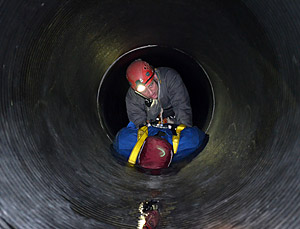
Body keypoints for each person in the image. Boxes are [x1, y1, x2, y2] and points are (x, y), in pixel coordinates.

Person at [125, 59, 192, 128]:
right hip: (152, 127)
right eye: (144, 91)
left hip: (174, 119)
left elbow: (182, 108)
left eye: (151, 85)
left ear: (155, 77)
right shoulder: (132, 97)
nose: (150, 92)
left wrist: (183, 131)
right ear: (136, 92)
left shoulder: (170, 78)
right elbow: (138, 124)